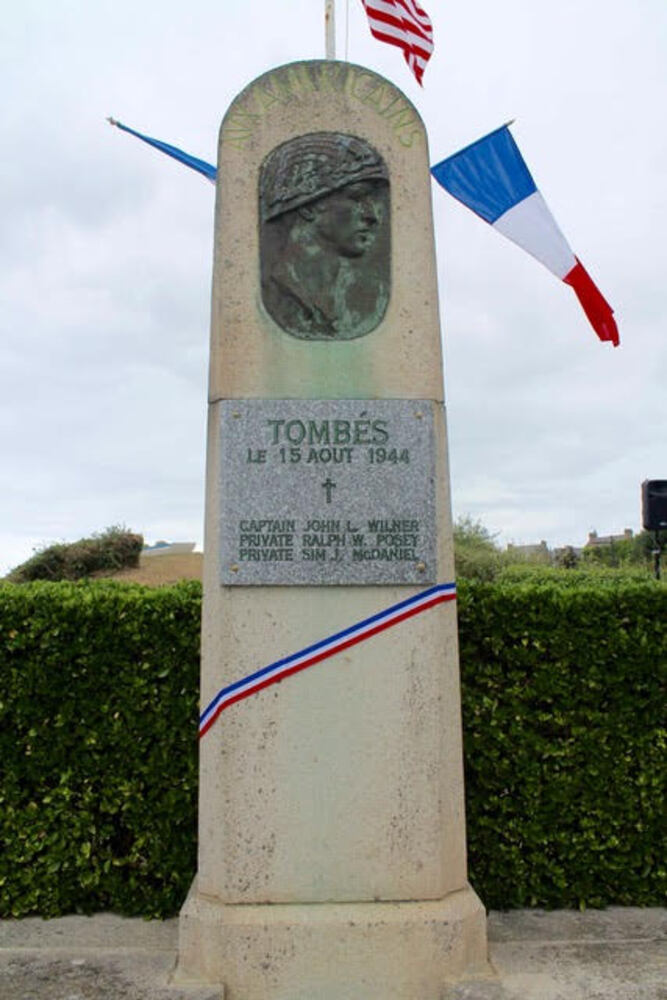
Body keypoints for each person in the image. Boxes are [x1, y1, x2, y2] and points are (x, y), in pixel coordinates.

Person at [259, 133, 390, 340]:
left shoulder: (371, 293)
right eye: (356, 197)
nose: (371, 215)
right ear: (309, 207)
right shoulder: (274, 289)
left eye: (372, 201)